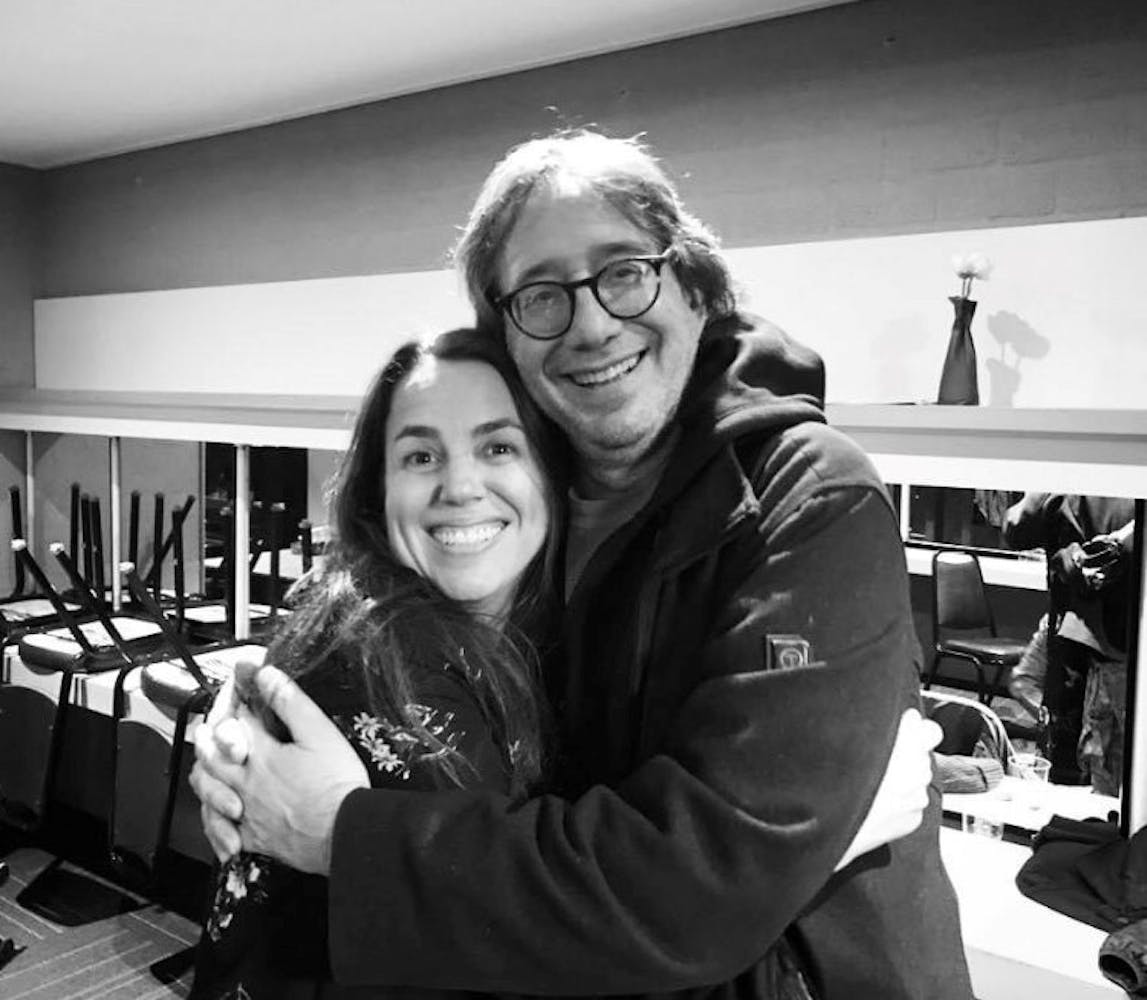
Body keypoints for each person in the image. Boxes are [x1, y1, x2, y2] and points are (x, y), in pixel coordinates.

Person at [193, 129, 969, 998]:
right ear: (510, 340)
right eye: (541, 295)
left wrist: (344, 834)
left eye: (624, 270)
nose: (593, 323)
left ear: (695, 285)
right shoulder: (552, 496)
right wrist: (255, 697)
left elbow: (702, 886)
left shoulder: (806, 498)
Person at [190, 328, 566, 997]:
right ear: (377, 490)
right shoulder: (385, 656)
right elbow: (488, 941)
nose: (459, 485)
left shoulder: (512, 631)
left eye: (498, 447)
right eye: (421, 456)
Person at [1004, 492, 1135, 794]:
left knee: (1099, 766)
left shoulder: (1070, 478)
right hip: (1101, 637)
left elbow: (1016, 527)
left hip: (1093, 638)